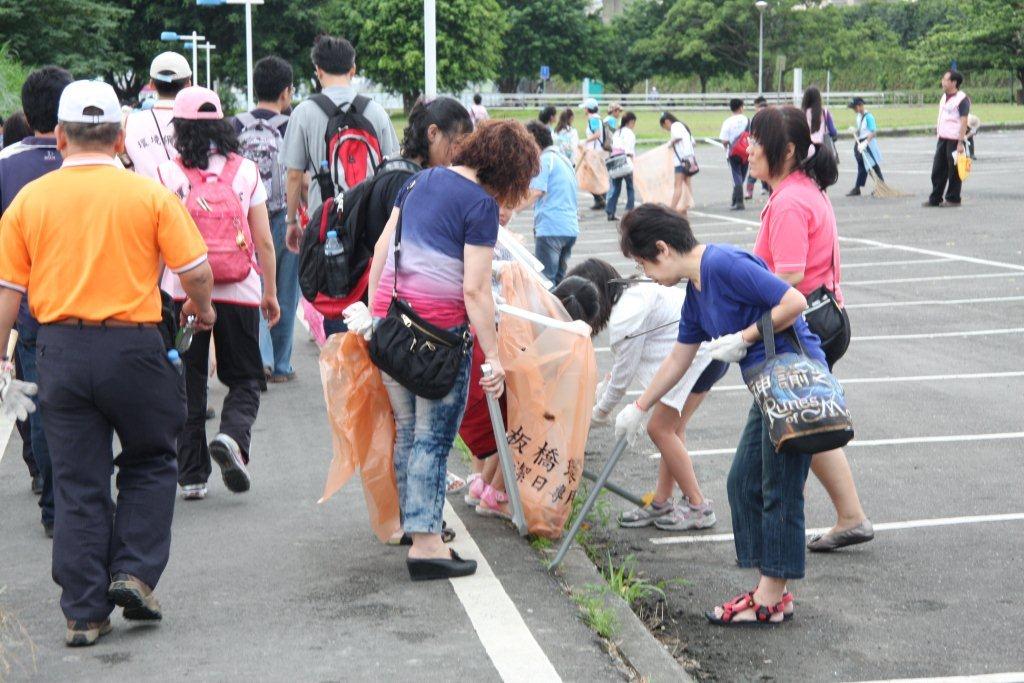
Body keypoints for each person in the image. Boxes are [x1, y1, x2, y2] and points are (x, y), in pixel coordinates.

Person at [0, 80, 215, 646]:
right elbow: (194, 268)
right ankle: (134, 572)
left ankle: (83, 612)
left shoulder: (31, 201)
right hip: (135, 349)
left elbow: (7, 291)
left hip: (60, 353)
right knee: (149, 458)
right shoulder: (148, 196)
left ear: (63, 137)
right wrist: (203, 308)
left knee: (77, 480)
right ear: (120, 137)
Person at [615, 202, 824, 625]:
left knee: (779, 487)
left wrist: (743, 337)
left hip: (791, 380)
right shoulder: (694, 291)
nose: (648, 275)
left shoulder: (723, 264)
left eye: (644, 264)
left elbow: (794, 300)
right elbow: (679, 357)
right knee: (744, 481)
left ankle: (769, 598)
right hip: (766, 386)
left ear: (662, 248)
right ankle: (772, 588)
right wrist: (639, 407)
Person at [362, 120, 539, 580]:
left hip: (394, 328)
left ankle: (414, 524)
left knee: (407, 431)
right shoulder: (479, 205)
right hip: (438, 341)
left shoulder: (422, 179)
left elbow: (384, 246)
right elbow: (476, 292)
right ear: (510, 172)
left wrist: (374, 315)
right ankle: (425, 544)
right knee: (433, 439)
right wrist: (494, 356)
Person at [747, 105, 874, 552]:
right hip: (822, 319)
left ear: (785, 152)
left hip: (803, 327)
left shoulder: (789, 202)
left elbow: (789, 277)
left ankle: (781, 531)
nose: (748, 150)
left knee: (797, 427)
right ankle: (849, 516)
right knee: (806, 421)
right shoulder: (801, 189)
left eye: (757, 142)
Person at [157, 86, 281, 501]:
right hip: (240, 290)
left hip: (183, 292)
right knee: (245, 377)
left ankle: (192, 476)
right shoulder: (245, 171)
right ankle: (232, 436)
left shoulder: (167, 173)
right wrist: (271, 292)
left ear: (180, 128)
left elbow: (156, 243)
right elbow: (263, 241)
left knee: (187, 382)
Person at [554, 259, 726, 531]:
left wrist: (597, 415)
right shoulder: (630, 291)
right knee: (671, 430)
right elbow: (623, 368)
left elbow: (622, 378)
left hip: (700, 355)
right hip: (706, 347)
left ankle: (698, 506)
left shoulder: (626, 318)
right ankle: (662, 502)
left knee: (660, 429)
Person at [0, 66, 74, 537]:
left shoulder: (6, 163)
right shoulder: (87, 160)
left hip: (29, 307)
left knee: (43, 408)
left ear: (26, 114)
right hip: (85, 306)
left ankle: (52, 504)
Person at [283, 35, 400, 252]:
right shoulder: (376, 111)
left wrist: (291, 221)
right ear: (353, 69)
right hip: (370, 225)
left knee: (322, 283)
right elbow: (393, 168)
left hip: (324, 224)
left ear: (318, 70)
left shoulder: (303, 113)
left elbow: (294, 175)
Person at [231, 56, 297, 384]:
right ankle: (281, 365)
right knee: (284, 288)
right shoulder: (292, 125)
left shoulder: (235, 126)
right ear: (286, 92)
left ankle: (260, 358)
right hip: (286, 216)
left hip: (243, 218)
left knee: (254, 285)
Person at [523, 121, 579, 285]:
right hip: (569, 228)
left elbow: (536, 191)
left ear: (533, 143)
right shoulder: (564, 160)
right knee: (559, 282)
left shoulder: (545, 160)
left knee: (545, 282)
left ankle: (548, 312)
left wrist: (510, 211)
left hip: (550, 228)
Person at [122, 52, 193, 180]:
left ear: (151, 85)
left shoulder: (129, 122)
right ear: (188, 84)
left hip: (144, 198)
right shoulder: (202, 122)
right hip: (190, 198)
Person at [925, 70, 970, 208]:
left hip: (954, 140)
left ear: (954, 82)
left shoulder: (962, 99)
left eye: (945, 79)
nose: (942, 82)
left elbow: (964, 121)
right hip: (943, 138)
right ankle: (936, 197)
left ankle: (953, 198)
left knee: (954, 171)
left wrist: (960, 142)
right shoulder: (944, 97)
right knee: (938, 169)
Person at [846, 97, 884, 197]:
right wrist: (854, 130)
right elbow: (861, 130)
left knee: (873, 166)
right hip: (860, 143)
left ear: (860, 106)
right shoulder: (858, 116)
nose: (853, 110)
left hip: (868, 144)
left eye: (854, 107)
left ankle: (881, 186)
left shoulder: (869, 117)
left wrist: (865, 143)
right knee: (862, 166)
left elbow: (873, 132)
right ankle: (857, 187)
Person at [660, 112, 696, 215]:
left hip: (681, 160)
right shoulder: (683, 126)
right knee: (687, 183)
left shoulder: (675, 126)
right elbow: (693, 142)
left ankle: (672, 208)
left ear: (667, 121)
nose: (666, 129)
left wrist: (670, 144)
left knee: (678, 185)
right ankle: (686, 205)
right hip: (689, 158)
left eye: (664, 127)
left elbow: (677, 137)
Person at [606, 111, 637, 221]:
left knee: (615, 188)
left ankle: (610, 211)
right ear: (631, 121)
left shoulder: (617, 132)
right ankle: (630, 210)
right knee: (630, 187)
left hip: (615, 161)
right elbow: (629, 149)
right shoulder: (629, 133)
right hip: (625, 160)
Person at [720, 98, 749, 210]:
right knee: (741, 176)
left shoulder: (728, 122)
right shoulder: (747, 120)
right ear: (741, 107)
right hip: (746, 152)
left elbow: (724, 141)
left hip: (733, 153)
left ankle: (739, 202)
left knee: (736, 176)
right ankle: (735, 199)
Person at [582, 97, 607, 210]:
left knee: (591, 177)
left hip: (594, 152)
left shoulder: (593, 119)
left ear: (588, 109)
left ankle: (600, 199)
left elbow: (596, 134)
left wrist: (585, 141)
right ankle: (602, 198)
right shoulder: (597, 118)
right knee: (598, 176)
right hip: (598, 151)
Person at [801, 86, 837, 160]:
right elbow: (833, 132)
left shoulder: (801, 114)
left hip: (806, 151)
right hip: (822, 151)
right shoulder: (824, 112)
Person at [745, 96, 769, 199]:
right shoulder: (756, 120)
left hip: (764, 147)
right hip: (760, 147)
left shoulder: (759, 119)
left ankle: (753, 191)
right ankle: (752, 191)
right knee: (758, 169)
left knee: (760, 169)